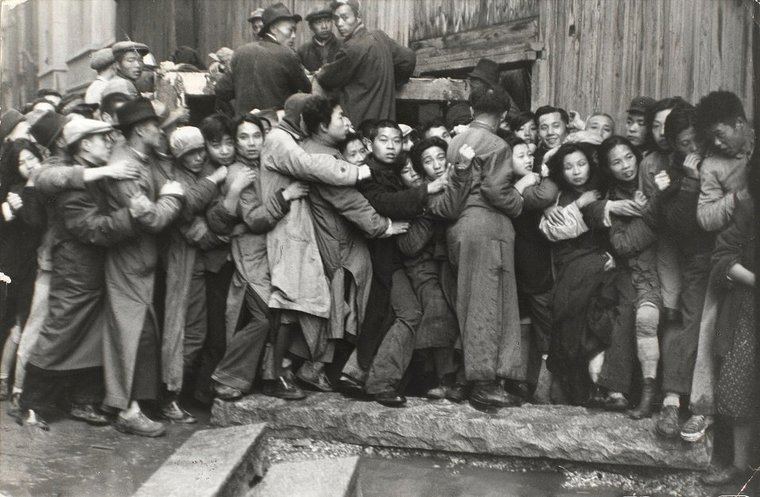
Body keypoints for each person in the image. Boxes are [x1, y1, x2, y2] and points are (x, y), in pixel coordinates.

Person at [15, 119, 137, 430]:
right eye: (101, 139)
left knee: (89, 336)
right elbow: (93, 229)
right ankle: (31, 405)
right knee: (60, 334)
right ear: (84, 145)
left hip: (88, 271)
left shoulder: (90, 175)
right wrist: (132, 214)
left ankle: (82, 401)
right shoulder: (70, 184)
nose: (108, 143)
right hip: (76, 272)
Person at [259, 93, 373, 399]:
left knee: (302, 305)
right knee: (287, 305)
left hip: (295, 229)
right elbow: (309, 165)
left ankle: (291, 371)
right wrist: (356, 171)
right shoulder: (280, 140)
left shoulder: (288, 138)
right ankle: (277, 376)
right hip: (286, 231)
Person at [300, 96, 403, 391]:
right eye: (340, 117)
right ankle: (326, 370)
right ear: (322, 126)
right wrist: (384, 226)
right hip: (340, 245)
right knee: (349, 308)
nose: (347, 121)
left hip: (331, 242)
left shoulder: (315, 151)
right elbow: (351, 203)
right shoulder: (324, 162)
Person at [101, 98, 185, 436]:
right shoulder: (126, 167)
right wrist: (172, 197)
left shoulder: (136, 154)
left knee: (142, 334)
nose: (161, 131)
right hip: (128, 262)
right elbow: (149, 217)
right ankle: (127, 411)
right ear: (140, 130)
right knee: (130, 335)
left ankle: (135, 403)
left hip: (140, 262)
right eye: (156, 126)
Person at [445, 84, 530, 409]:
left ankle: (463, 381)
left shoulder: (456, 141)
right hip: (488, 226)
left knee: (468, 300)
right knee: (487, 302)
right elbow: (496, 190)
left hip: (460, 227)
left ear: (471, 110)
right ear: (504, 115)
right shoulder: (497, 144)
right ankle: (484, 384)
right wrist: (519, 200)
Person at [207, 114, 300, 400]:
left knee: (277, 316)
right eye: (243, 138)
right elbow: (256, 219)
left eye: (256, 136)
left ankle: (270, 377)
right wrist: (284, 197)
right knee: (263, 317)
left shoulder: (265, 165)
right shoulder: (239, 172)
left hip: (272, 252)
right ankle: (227, 376)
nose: (251, 143)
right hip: (250, 256)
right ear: (235, 142)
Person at [539, 143, 635, 407]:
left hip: (605, 267)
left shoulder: (603, 189)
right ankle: (589, 388)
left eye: (581, 164)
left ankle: (606, 385)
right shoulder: (560, 197)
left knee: (605, 314)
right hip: (574, 267)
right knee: (576, 321)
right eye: (568, 167)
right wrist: (577, 205)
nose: (576, 171)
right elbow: (554, 231)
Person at [641, 103, 714, 441]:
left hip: (728, 257)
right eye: (685, 143)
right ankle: (672, 400)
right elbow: (675, 223)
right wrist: (685, 185)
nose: (693, 149)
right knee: (687, 322)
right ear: (672, 144)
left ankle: (698, 408)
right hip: (696, 258)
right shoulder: (670, 173)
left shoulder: (721, 159)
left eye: (697, 140)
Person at [159, 127, 227, 420]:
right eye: (191, 154)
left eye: (201, 151)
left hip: (201, 264)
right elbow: (186, 215)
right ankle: (169, 396)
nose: (199, 157)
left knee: (197, 333)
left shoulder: (205, 171)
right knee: (186, 332)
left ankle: (178, 393)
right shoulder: (176, 178)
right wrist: (222, 238)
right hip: (183, 264)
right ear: (179, 157)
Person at [399, 137, 474, 401]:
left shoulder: (464, 176)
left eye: (441, 157)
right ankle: (444, 378)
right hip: (433, 263)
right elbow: (413, 243)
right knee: (440, 309)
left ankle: (461, 379)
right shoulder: (427, 193)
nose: (437, 165)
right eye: (428, 162)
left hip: (459, 258)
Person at [598, 136, 661, 418]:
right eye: (616, 162)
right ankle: (618, 391)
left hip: (661, 267)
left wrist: (648, 211)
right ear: (608, 168)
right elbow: (621, 245)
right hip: (632, 270)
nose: (625, 166)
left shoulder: (651, 181)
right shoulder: (614, 198)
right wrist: (645, 216)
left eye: (628, 157)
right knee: (626, 312)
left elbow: (665, 224)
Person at [701, 194, 757, 486]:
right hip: (749, 307)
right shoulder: (750, 208)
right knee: (739, 381)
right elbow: (723, 258)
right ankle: (739, 465)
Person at [503, 134, 557, 403]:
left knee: (544, 324)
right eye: (519, 155)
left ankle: (546, 388)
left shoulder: (537, 183)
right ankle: (519, 381)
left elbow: (542, 199)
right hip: (512, 266)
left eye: (528, 155)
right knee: (520, 323)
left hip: (536, 267)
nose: (527, 159)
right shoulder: (507, 187)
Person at [316, 0, 416, 124]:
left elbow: (326, 78)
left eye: (345, 17)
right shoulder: (380, 37)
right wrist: (392, 83)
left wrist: (321, 72)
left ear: (358, 16)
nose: (339, 23)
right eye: (336, 19)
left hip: (358, 122)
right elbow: (408, 58)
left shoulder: (351, 48)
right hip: (386, 122)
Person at [0, 140, 46, 400]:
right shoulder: (17, 189)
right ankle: (6, 379)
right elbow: (33, 220)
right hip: (16, 263)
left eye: (32, 158)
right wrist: (24, 194)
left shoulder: (46, 183)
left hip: (35, 262)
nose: (29, 165)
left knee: (23, 321)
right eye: (22, 162)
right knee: (16, 321)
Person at [216, 3, 311, 115]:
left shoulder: (240, 52)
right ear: (273, 29)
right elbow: (306, 89)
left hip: (244, 126)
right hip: (274, 125)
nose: (293, 36)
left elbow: (221, 91)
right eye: (290, 30)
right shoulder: (287, 55)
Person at [298, 8, 342, 72]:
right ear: (311, 27)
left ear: (332, 22)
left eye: (327, 21)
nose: (324, 26)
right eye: (318, 22)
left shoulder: (343, 47)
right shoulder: (303, 51)